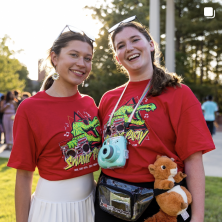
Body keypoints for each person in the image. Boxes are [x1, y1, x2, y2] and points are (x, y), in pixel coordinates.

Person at [95, 17, 215, 222]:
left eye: (135, 40)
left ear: (151, 44)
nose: (129, 48)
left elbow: (193, 159)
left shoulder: (179, 94)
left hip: (160, 202)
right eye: (121, 45)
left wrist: (198, 217)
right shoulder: (109, 98)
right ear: (117, 57)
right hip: (110, 200)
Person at [7, 26, 101, 222]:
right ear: (54, 58)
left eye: (88, 58)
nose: (81, 63)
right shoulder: (30, 108)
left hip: (92, 205)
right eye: (74, 55)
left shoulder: (89, 104)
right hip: (53, 210)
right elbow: (24, 176)